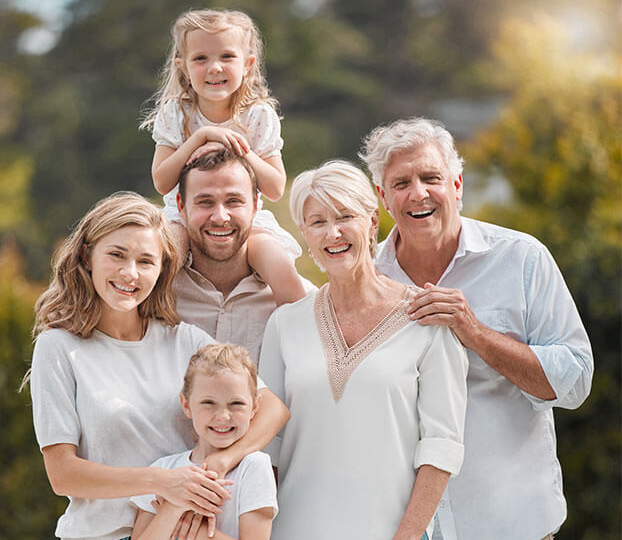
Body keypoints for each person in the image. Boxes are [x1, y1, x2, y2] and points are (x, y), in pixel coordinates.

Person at [359, 116, 594, 540]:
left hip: (512, 527)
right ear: (382, 197)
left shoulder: (522, 259)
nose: (418, 193)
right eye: (401, 183)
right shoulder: (364, 279)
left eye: (431, 177)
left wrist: (477, 334)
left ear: (457, 185)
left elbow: (576, 381)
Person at [26, 192, 289, 540]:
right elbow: (62, 474)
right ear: (88, 256)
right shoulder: (58, 347)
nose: (130, 273)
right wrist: (165, 482)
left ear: (162, 269)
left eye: (146, 261)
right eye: (117, 255)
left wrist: (221, 462)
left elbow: (272, 408)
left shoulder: (185, 341)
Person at [259, 160, 468, 540]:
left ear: (372, 222)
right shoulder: (284, 325)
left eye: (345, 216)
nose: (333, 232)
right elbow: (267, 448)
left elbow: (442, 448)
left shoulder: (426, 318)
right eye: (318, 222)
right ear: (305, 234)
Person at [141, 8, 305, 306]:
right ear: (183, 67)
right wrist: (199, 139)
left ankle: (298, 341)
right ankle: (148, 335)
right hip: (183, 216)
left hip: (243, 217)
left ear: (248, 64)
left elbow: (275, 187)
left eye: (227, 57)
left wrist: (241, 151)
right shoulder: (176, 113)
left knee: (280, 267)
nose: (214, 68)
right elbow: (162, 182)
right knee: (160, 265)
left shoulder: (257, 115)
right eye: (201, 58)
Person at [173, 148, 313, 365]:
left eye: (233, 201)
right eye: (205, 202)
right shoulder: (154, 295)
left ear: (255, 206)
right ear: (181, 207)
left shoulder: (298, 298)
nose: (220, 217)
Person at [131, 343, 277, 540]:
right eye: (208, 403)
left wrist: (195, 530)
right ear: (186, 405)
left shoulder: (254, 466)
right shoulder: (164, 470)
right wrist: (172, 510)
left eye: (236, 404)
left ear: (255, 406)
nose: (223, 416)